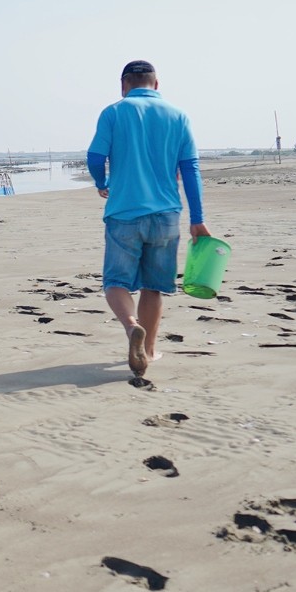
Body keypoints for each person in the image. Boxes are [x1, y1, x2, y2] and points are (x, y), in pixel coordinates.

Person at [87, 60, 211, 377]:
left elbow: (95, 157)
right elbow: (190, 170)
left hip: (124, 213)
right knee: (153, 287)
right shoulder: (178, 115)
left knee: (116, 282)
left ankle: (132, 328)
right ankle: (150, 351)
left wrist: (102, 182)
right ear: (156, 84)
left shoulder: (113, 112)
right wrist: (197, 218)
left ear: (124, 85)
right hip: (166, 215)